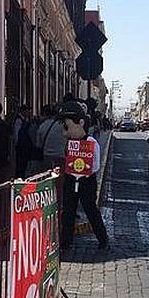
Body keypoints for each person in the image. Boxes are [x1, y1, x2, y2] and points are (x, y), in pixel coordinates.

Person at [59, 100, 108, 250]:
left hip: (87, 181)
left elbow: (96, 164)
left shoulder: (91, 142)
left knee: (90, 210)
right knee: (68, 211)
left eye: (67, 126)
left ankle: (103, 239)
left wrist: (85, 171)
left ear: (80, 123)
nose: (65, 131)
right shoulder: (69, 143)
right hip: (70, 179)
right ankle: (66, 241)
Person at [36, 103, 66, 172]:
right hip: (61, 155)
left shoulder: (43, 125)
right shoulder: (65, 126)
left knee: (47, 177)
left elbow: (38, 144)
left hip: (47, 156)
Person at [13, 104, 37, 179]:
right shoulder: (18, 120)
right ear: (23, 111)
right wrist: (17, 144)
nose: (29, 112)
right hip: (21, 146)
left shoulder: (25, 120)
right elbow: (16, 133)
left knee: (23, 164)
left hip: (25, 146)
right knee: (20, 164)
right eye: (27, 111)